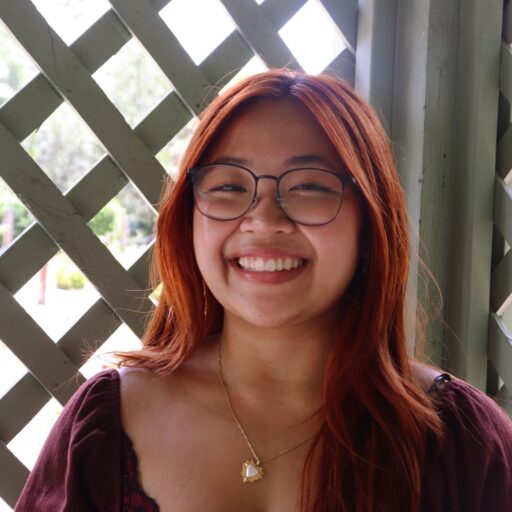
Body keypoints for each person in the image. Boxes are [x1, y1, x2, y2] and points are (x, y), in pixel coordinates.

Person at [15, 69, 512, 512]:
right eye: (229, 186)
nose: (263, 219)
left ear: (370, 222)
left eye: (309, 186)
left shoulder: (462, 441)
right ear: (189, 219)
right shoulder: (104, 424)